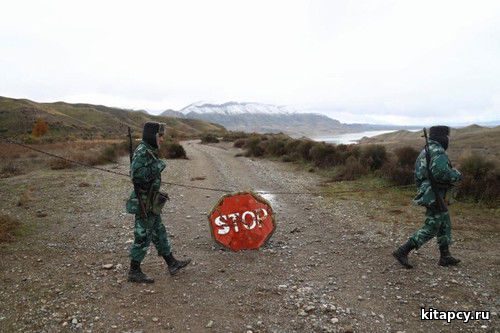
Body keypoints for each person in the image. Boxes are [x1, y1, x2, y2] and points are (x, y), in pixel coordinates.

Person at [126, 122, 191, 283]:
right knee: (143, 236)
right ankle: (134, 271)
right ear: (152, 135)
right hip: (144, 202)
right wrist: (158, 166)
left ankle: (172, 263)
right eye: (159, 136)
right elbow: (137, 176)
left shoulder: (149, 150)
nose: (162, 139)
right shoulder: (142, 152)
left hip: (151, 201)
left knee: (159, 232)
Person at [393, 125, 462, 269]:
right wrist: (456, 174)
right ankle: (403, 250)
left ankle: (445, 256)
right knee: (432, 226)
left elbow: (419, 175)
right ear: (443, 138)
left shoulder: (426, 150)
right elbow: (442, 174)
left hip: (431, 193)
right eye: (447, 137)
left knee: (443, 222)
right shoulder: (438, 152)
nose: (448, 140)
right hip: (435, 194)